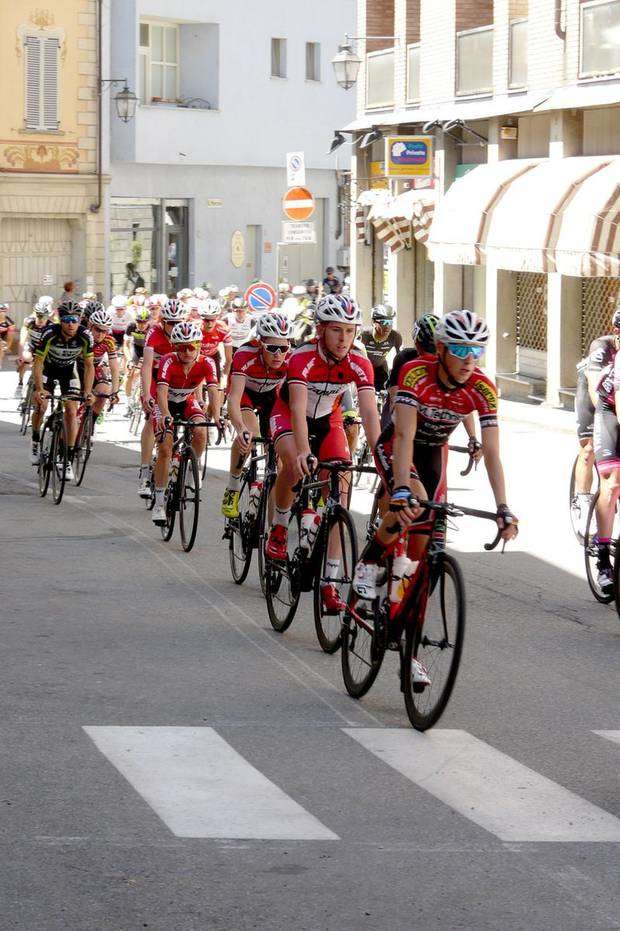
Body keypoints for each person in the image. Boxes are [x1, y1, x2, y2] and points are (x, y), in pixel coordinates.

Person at [353, 310, 518, 610]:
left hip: (432, 451)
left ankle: (404, 634)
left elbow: (493, 452)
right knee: (413, 500)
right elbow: (403, 435)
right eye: (459, 349)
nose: (469, 360)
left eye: (476, 351)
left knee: (422, 549)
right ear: (440, 349)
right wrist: (402, 487)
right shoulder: (415, 372)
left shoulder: (483, 388)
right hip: (398, 445)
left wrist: (503, 507)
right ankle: (369, 561)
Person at [266, 294, 380, 612]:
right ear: (320, 330)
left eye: (350, 331)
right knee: (292, 462)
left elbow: (370, 413)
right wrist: (303, 451)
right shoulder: (302, 358)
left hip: (328, 421)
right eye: (336, 330)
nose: (344, 338)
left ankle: (329, 583)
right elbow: (299, 409)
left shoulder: (360, 361)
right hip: (289, 414)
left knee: (340, 492)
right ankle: (279, 527)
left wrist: (381, 456)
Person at [221, 313, 292, 518]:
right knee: (249, 435)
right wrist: (239, 427)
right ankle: (233, 488)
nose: (278, 354)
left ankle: (272, 531)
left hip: (271, 397)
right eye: (272, 348)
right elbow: (234, 398)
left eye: (283, 348)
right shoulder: (245, 354)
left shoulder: (290, 359)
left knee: (278, 462)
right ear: (260, 343)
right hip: (245, 394)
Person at [151, 320, 220, 525]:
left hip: (187, 401)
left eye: (192, 346)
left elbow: (214, 389)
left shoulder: (207, 362)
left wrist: (216, 416)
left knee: (201, 432)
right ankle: (159, 502)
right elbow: (162, 392)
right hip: (165, 403)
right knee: (165, 449)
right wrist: (164, 414)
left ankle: (190, 466)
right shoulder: (167, 360)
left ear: (199, 345)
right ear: (175, 347)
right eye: (182, 347)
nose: (187, 352)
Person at [31, 301, 95, 480]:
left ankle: (66, 456)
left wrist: (88, 391)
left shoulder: (85, 335)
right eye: (66, 320)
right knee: (41, 406)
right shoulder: (49, 333)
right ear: (60, 320)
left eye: (74, 320)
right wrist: (39, 389)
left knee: (72, 411)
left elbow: (89, 366)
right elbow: (38, 363)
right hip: (48, 370)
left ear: (79, 320)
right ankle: (36, 440)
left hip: (69, 371)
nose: (70, 324)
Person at [571, 313, 620, 541]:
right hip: (594, 395)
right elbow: (593, 387)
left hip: (614, 396)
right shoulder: (602, 346)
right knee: (590, 447)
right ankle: (582, 499)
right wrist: (600, 419)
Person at [138, 298, 185, 496]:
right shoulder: (154, 333)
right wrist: (147, 394)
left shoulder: (185, 333)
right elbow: (147, 365)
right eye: (171, 323)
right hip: (156, 377)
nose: (175, 327)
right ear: (163, 321)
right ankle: (144, 469)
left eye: (178, 322)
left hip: (176, 379)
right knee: (151, 419)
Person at [85, 307, 121, 422]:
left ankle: (91, 424)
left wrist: (114, 392)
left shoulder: (109, 341)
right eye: (98, 330)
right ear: (91, 326)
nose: (101, 334)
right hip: (79, 368)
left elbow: (114, 368)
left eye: (104, 331)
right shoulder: (83, 337)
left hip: (96, 368)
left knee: (104, 391)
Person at [360, 305, 403, 392]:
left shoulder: (395, 336)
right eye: (384, 322)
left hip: (380, 370)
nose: (387, 326)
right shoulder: (363, 335)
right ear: (374, 322)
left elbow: (401, 360)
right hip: (364, 369)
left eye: (390, 322)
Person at [15, 302, 52, 396]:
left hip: (43, 349)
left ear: (47, 316)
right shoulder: (29, 322)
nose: (40, 319)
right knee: (26, 358)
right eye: (38, 315)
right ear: (35, 314)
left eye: (43, 316)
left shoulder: (51, 326)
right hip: (32, 346)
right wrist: (20, 356)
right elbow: (22, 340)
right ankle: (20, 381)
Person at [124, 307, 152, 401]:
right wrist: (129, 360)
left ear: (148, 321)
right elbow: (125, 345)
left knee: (147, 373)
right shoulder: (131, 326)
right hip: (135, 348)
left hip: (148, 350)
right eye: (139, 322)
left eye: (144, 322)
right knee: (129, 372)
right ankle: (128, 401)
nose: (142, 325)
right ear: (135, 321)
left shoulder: (152, 328)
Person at [0, 303, 16, 370]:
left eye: (3, 311)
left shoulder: (9, 322)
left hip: (3, 336)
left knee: (1, 345)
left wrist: (7, 346)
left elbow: (10, 337)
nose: (1, 313)